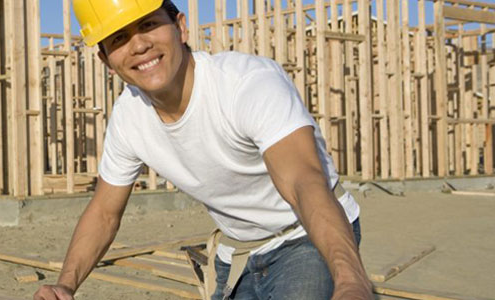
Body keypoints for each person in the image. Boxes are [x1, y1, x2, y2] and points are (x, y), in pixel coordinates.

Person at [33, 0, 373, 299]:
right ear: (106, 60)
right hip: (237, 250)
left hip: (307, 236)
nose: (139, 46)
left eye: (148, 25)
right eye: (119, 38)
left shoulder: (246, 84)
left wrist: (350, 281)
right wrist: (65, 285)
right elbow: (105, 212)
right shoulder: (128, 118)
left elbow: (304, 182)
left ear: (180, 27)